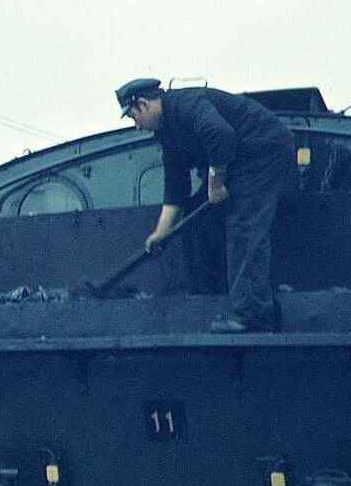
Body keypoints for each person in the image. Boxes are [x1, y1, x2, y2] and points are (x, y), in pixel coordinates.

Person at [117, 78, 297, 332]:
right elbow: (175, 184)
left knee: (245, 226)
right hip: (235, 162)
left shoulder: (186, 104)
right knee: (200, 222)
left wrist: (216, 182)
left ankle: (254, 315)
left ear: (144, 104)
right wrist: (161, 231)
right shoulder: (167, 133)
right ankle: (214, 299)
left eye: (134, 117)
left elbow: (220, 134)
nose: (137, 127)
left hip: (262, 151)